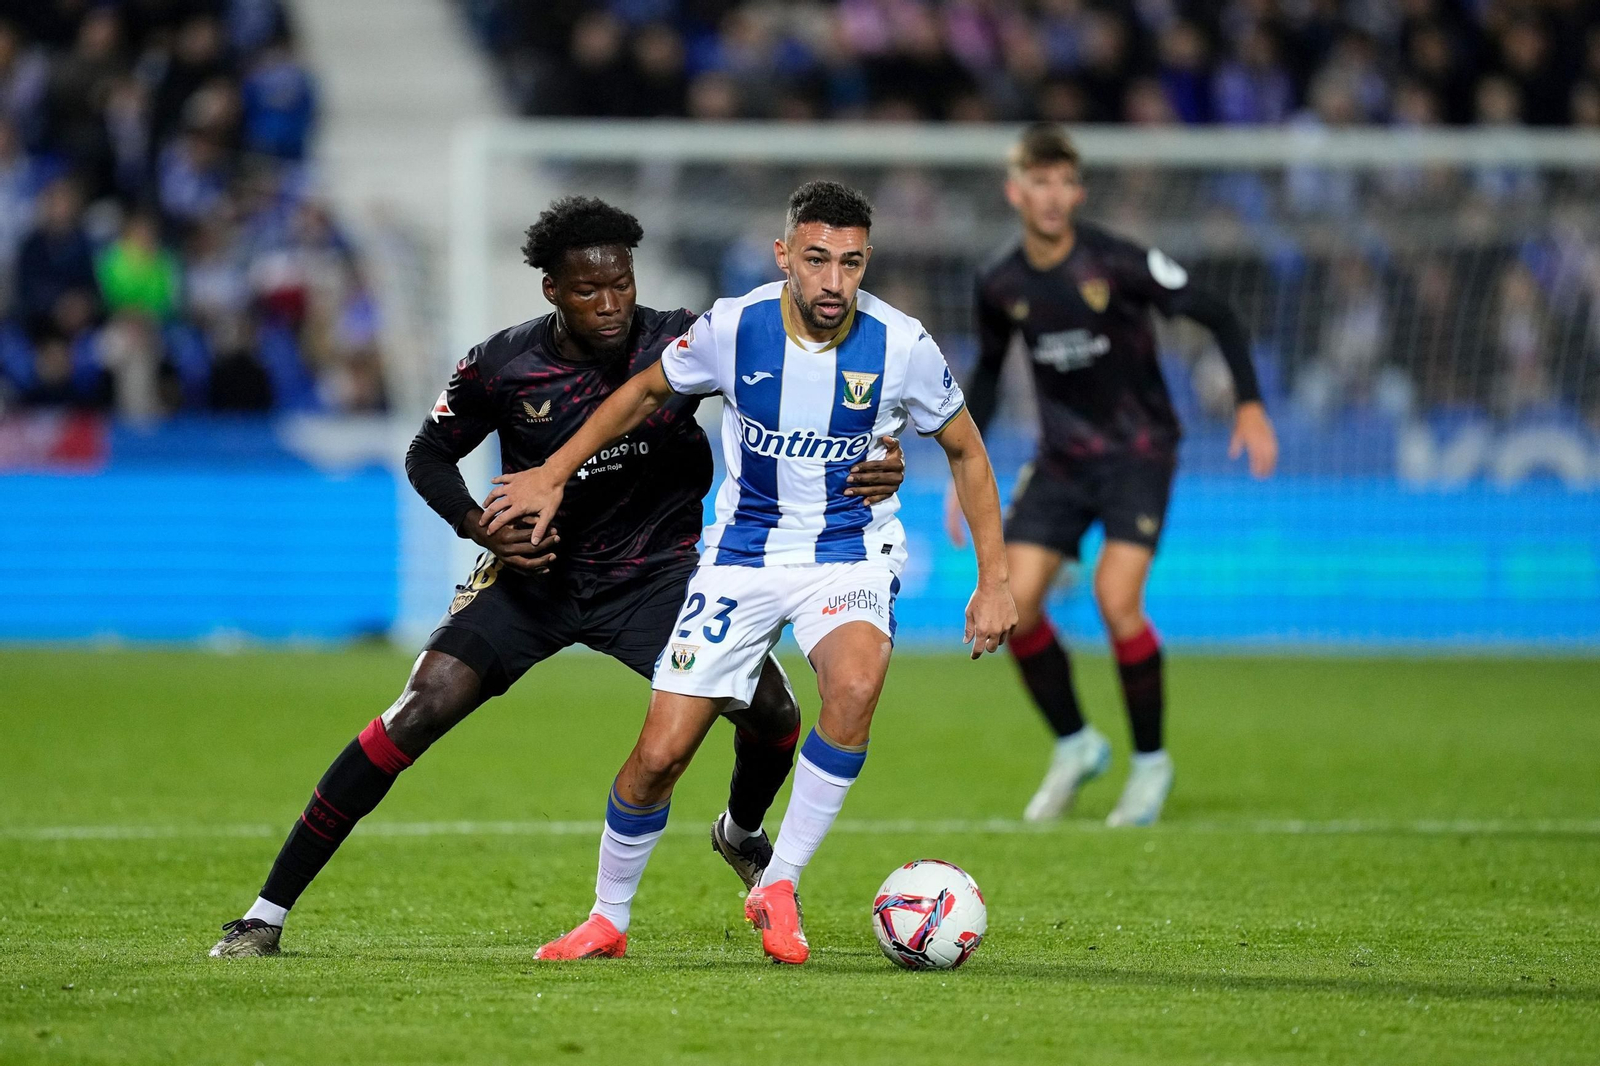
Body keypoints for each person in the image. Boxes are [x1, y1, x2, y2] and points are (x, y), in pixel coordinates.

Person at [208, 196, 907, 958]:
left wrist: (880, 452)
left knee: (773, 712)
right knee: (418, 707)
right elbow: (427, 455)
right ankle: (265, 913)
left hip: (654, 578)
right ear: (551, 290)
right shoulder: (501, 365)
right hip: (533, 577)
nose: (610, 305)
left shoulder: (681, 339)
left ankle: (740, 834)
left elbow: (800, 390)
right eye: (587, 290)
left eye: (622, 285)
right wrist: (479, 527)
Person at [481, 180, 1016, 965]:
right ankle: (606, 919)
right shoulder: (734, 327)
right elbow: (643, 393)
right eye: (818, 260)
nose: (835, 282)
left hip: (848, 551)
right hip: (739, 559)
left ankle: (779, 882)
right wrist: (553, 471)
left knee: (857, 684)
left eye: (853, 263)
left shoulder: (902, 345)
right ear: (784, 255)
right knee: (662, 753)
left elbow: (967, 448)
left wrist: (994, 580)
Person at [955, 124, 1278, 827]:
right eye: (1037, 182)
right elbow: (984, 369)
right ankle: (1077, 746)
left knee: (1115, 599)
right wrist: (963, 466)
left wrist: (1249, 405)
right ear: (1016, 191)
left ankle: (1151, 765)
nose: (1051, 195)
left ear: (1078, 191)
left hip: (1138, 453)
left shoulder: (1118, 261)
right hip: (1062, 461)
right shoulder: (1000, 281)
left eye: (1063, 182)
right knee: (1017, 602)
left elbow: (1216, 311)